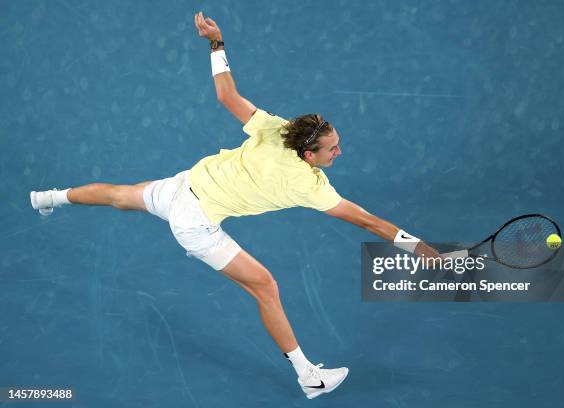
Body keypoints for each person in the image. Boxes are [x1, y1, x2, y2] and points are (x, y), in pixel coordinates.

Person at [30, 10, 442, 399]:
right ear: (308, 155)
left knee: (120, 196)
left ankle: (48, 197)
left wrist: (216, 43)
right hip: (194, 224)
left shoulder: (278, 131)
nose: (339, 153)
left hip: (183, 185)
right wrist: (415, 245)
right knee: (265, 287)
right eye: (332, 149)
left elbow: (227, 96)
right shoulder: (310, 186)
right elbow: (366, 222)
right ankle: (309, 377)